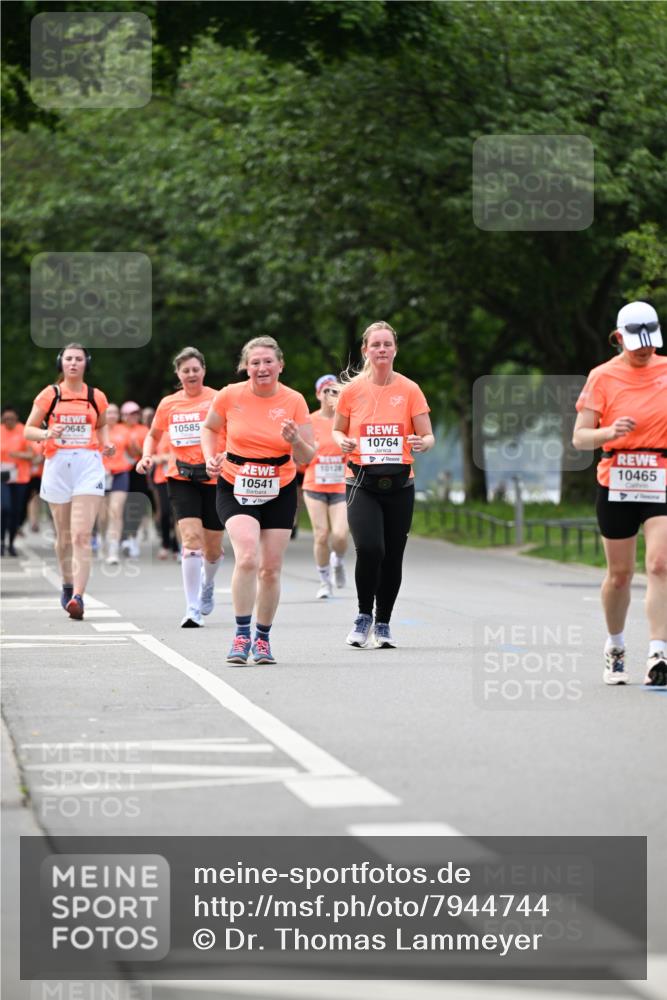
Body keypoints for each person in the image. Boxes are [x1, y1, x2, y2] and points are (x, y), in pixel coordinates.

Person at [201, 336, 315, 666]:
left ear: (280, 365)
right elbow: (208, 429)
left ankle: (262, 639)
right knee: (248, 555)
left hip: (279, 487)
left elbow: (308, 455)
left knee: (270, 569)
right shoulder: (229, 396)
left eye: (268, 362)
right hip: (235, 485)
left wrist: (295, 441)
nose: (261, 368)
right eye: (255, 363)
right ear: (245, 367)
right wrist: (210, 457)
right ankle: (241, 634)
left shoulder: (294, 401)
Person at [573, 301, 667, 687]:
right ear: (618, 338)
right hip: (617, 478)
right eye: (635, 344)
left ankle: (658, 652)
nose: (644, 350)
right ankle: (615, 647)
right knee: (620, 575)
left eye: (649, 343)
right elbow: (579, 438)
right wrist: (608, 433)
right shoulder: (602, 377)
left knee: (661, 565)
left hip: (660, 476)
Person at [332, 321, 434, 649]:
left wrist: (422, 443)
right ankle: (364, 616)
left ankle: (384, 622)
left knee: (393, 555)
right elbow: (337, 430)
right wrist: (343, 442)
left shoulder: (409, 389)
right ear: (365, 350)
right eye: (375, 345)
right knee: (371, 548)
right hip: (361, 481)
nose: (381, 350)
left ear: (395, 349)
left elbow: (428, 435)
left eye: (387, 344)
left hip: (401, 483)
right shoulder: (351, 391)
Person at [23, 344, 113, 619]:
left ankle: (78, 597)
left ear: (86, 363)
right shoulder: (51, 394)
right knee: (63, 538)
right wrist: (48, 432)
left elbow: (101, 425)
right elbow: (29, 430)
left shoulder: (96, 396)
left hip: (88, 464)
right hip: (58, 464)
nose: (73, 363)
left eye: (79, 359)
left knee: (81, 536)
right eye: (69, 359)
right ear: (61, 363)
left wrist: (107, 444)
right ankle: (66, 583)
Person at [136, 347, 224, 627]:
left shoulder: (217, 399)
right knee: (190, 540)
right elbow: (153, 434)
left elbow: (235, 430)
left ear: (203, 371)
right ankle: (192, 607)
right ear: (178, 374)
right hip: (180, 475)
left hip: (213, 476)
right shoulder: (168, 404)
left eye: (195, 369)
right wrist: (147, 455)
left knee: (212, 548)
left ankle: (207, 584)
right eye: (185, 370)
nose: (191, 374)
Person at [302, 375, 349, 598]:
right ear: (318, 394)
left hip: (340, 485)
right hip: (315, 486)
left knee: (340, 535)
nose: (331, 394)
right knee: (321, 535)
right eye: (327, 390)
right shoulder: (308, 421)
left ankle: (337, 560)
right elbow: (298, 457)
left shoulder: (345, 420)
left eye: (336, 390)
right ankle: (324, 581)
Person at [99, 403, 132, 565]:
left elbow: (133, 452)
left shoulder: (124, 431)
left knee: (116, 511)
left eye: (115, 412)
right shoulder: (97, 430)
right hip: (101, 474)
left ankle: (113, 549)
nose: (112, 415)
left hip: (120, 473)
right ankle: (103, 540)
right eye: (109, 412)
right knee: (103, 515)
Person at [1, 406, 34, 557]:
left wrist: (18, 454)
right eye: (6, 419)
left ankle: (11, 543)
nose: (9, 422)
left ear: (17, 419)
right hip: (3, 476)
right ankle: (1, 541)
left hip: (20, 476)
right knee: (4, 508)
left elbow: (32, 454)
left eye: (12, 419)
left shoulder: (24, 431)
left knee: (16, 511)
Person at [120, 401, 149, 558]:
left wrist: (137, 449)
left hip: (138, 472)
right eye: (130, 414)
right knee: (121, 507)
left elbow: (146, 452)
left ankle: (132, 538)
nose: (134, 417)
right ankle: (123, 538)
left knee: (137, 506)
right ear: (123, 415)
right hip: (120, 472)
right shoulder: (118, 429)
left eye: (136, 414)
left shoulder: (144, 430)